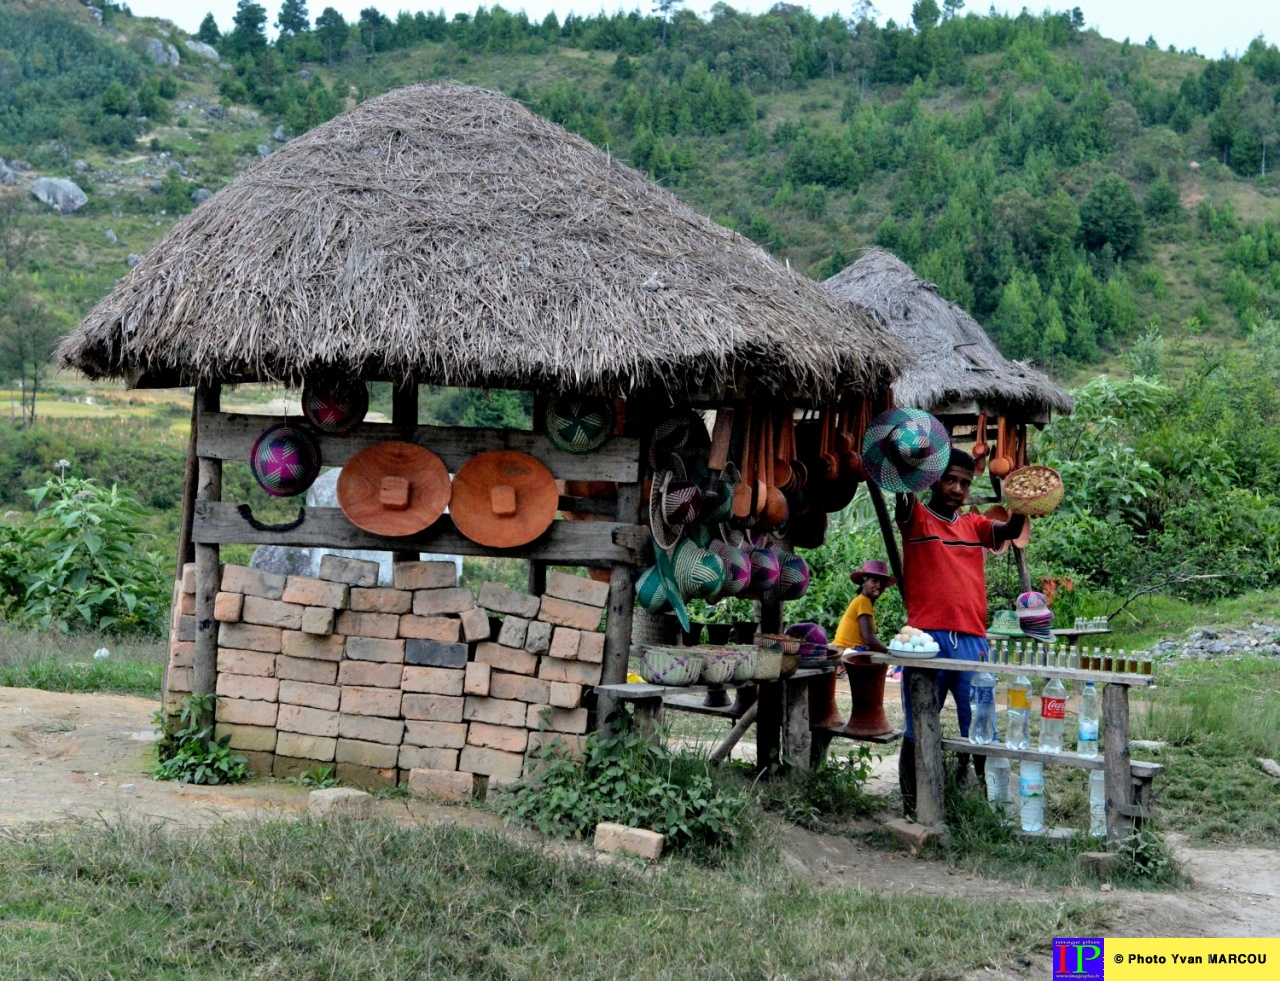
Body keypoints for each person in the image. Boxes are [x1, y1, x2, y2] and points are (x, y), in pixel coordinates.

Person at [895, 447, 1027, 818]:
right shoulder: (916, 518)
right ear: (935, 479)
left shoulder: (975, 524)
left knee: (983, 726)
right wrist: (907, 463)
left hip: (972, 641)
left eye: (965, 483)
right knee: (918, 724)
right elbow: (902, 497)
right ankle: (912, 807)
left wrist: (1019, 499)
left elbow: (1013, 530)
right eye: (950, 479)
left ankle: (992, 811)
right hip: (927, 641)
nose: (957, 488)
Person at [833, 560, 894, 655]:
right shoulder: (863, 601)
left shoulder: (863, 601)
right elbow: (869, 639)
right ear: (864, 583)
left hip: (850, 650)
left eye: (882, 582)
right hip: (849, 651)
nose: (879, 585)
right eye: (874, 581)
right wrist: (890, 652)